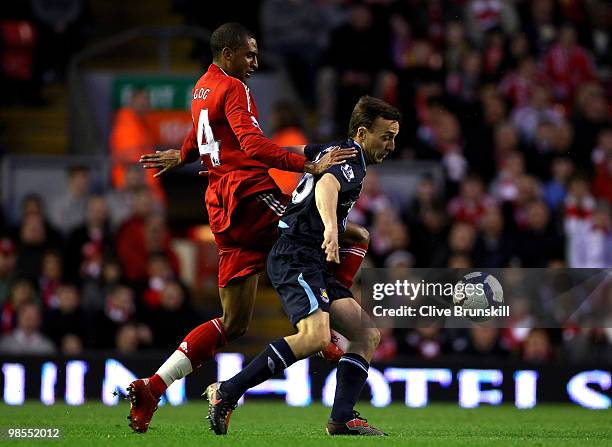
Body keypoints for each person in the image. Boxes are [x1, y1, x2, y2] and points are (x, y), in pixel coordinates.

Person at [128, 22, 362, 433]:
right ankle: (322, 329)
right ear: (229, 53)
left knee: (234, 322)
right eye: (249, 55)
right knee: (332, 234)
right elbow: (252, 145)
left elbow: (205, 134)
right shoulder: (235, 88)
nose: (255, 63)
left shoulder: (203, 86)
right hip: (249, 193)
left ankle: (153, 385)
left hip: (219, 206)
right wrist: (307, 164)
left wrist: (182, 156)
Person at [205, 96, 400, 436]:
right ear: (363, 132)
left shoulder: (332, 149)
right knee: (314, 337)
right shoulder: (351, 162)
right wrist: (329, 226)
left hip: (312, 258)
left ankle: (341, 419)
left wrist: (254, 154)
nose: (391, 145)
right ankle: (227, 392)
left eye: (395, 137)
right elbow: (327, 186)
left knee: (366, 334)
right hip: (297, 254)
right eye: (386, 137)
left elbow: (291, 151)